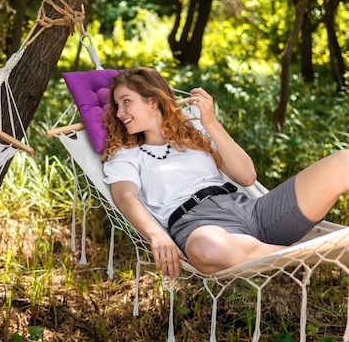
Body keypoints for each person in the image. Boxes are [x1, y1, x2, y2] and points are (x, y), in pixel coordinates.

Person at [102, 67, 347, 278]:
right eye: (116, 105)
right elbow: (126, 198)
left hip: (252, 211)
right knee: (207, 249)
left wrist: (210, 122)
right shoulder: (125, 154)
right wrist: (156, 235)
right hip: (199, 226)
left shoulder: (194, 129)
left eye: (126, 101)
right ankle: (312, 253)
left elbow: (247, 176)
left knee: (343, 161)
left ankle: (290, 250)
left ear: (152, 100)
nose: (120, 112)